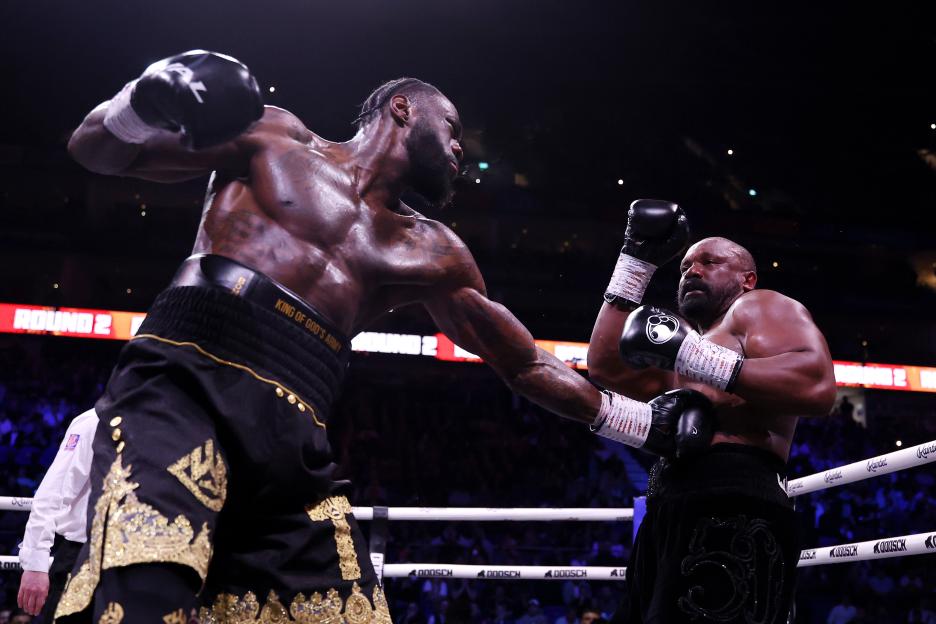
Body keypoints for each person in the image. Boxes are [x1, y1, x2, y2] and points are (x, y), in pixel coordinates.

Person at [59, 51, 716, 621]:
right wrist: (140, 101)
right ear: (404, 110)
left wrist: (641, 426)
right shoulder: (276, 136)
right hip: (184, 380)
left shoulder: (434, 251)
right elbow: (99, 150)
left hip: (292, 433)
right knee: (147, 588)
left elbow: (525, 366)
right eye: (454, 131)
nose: (462, 150)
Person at [588, 201, 836, 623]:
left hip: (736, 501)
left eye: (709, 261)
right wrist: (635, 263)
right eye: (684, 266)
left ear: (746, 279)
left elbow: (816, 387)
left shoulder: (757, 307)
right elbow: (606, 367)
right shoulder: (687, 347)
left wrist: (697, 358)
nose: (692, 271)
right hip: (668, 508)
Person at [16, 408, 97, 622]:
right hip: (81, 557)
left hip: (139, 562)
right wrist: (36, 564)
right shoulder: (96, 420)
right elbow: (53, 493)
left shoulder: (169, 425)